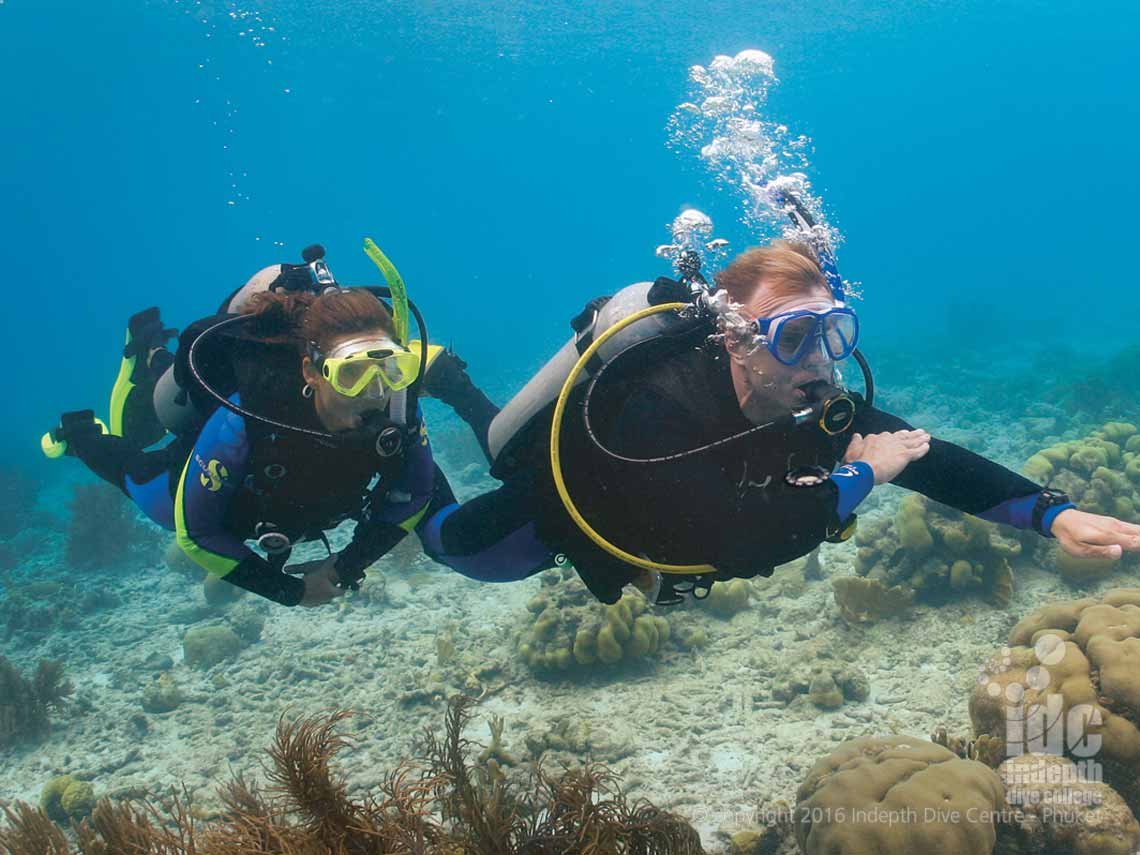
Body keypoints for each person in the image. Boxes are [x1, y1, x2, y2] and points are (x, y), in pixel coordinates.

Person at [413, 237, 1140, 605]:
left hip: (679, 548)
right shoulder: (658, 405)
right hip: (573, 517)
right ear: (734, 337)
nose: (820, 363)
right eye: (794, 337)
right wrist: (864, 471)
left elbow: (927, 455)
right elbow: (741, 532)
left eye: (836, 334)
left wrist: (1053, 515)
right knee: (453, 546)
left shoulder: (813, 400)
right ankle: (429, 425)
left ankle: (446, 401)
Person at [42, 246, 496, 607]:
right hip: (231, 502)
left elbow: (414, 494)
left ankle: (154, 359)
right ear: (310, 371)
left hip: (308, 506)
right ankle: (89, 422)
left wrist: (345, 566)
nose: (374, 392)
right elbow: (197, 532)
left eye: (391, 370)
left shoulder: (397, 407)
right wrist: (291, 592)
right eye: (352, 373)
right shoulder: (249, 416)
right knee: (142, 483)